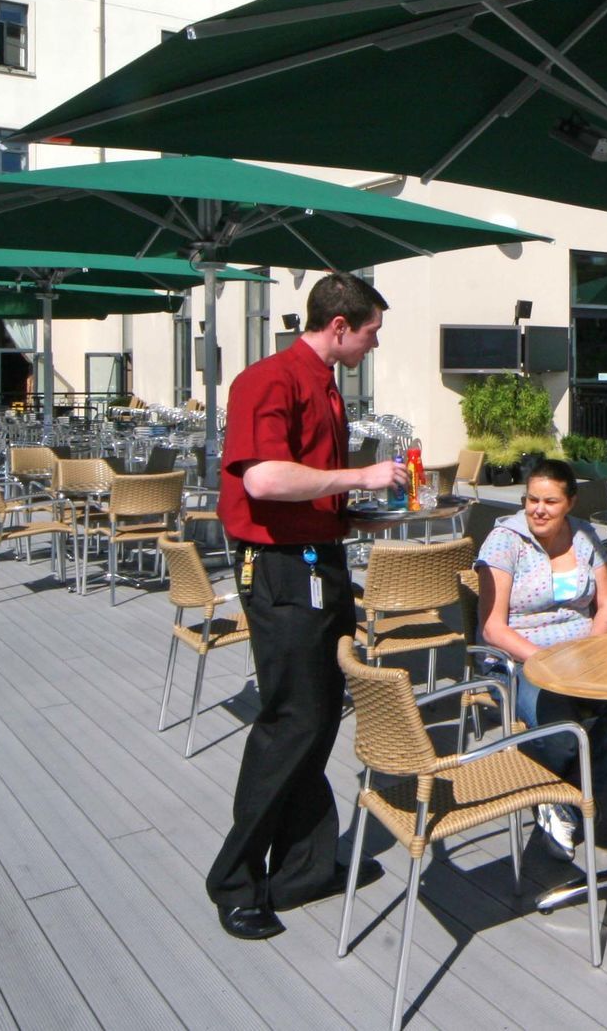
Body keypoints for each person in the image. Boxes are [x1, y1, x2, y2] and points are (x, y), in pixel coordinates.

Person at [206, 272, 409, 942]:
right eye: (372, 333)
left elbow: (307, 486)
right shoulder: (268, 380)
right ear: (341, 325)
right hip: (278, 569)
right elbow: (263, 477)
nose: (374, 346)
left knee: (321, 716)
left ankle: (304, 866)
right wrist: (360, 476)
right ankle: (235, 878)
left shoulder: (324, 382)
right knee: (292, 719)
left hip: (320, 560)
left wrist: (355, 517)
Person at [475, 458, 607, 859]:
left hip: (585, 652)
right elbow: (493, 628)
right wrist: (546, 661)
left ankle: (567, 797)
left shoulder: (584, 537)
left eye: (549, 501)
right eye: (531, 500)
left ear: (570, 503)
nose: (538, 509)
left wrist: (592, 649)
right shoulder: (504, 542)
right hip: (522, 657)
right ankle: (577, 785)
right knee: (563, 737)